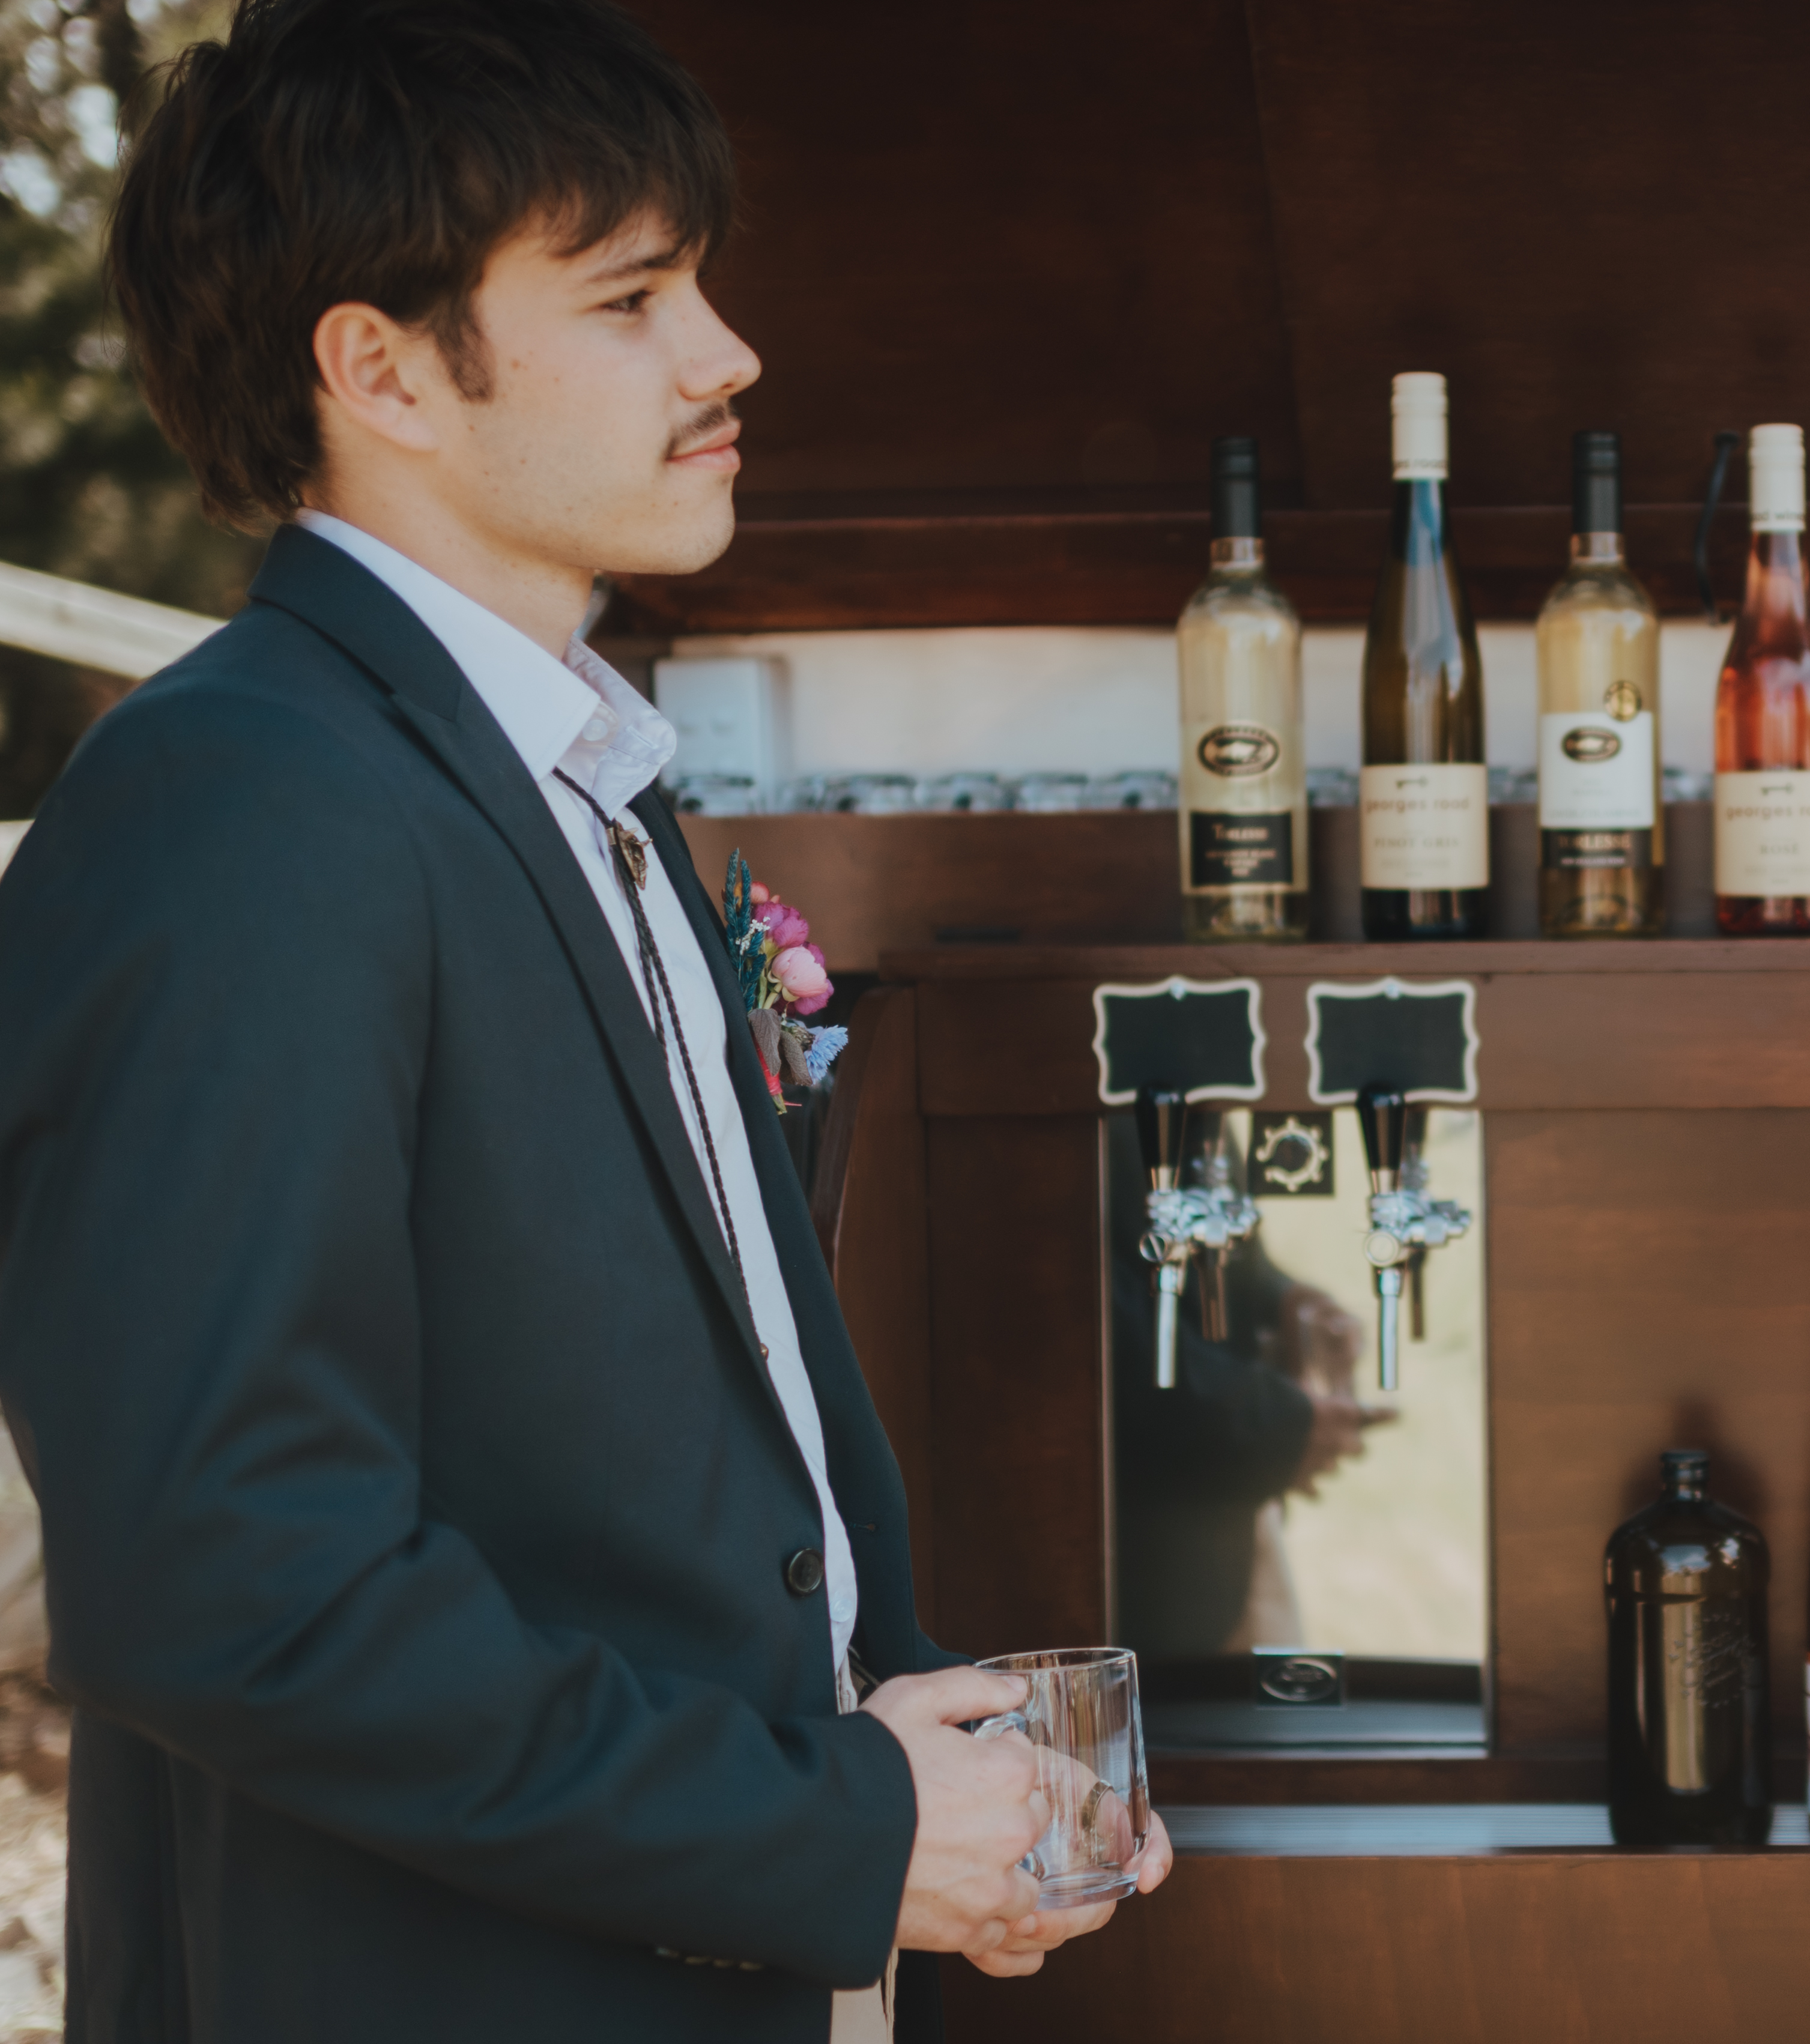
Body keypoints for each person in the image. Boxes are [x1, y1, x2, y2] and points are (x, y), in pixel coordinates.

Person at [0, 2, 1165, 2038]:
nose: (727, 353)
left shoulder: (579, 788)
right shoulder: (240, 801)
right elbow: (230, 1585)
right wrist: (828, 1829)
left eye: (697, 280)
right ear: (379, 370)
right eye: (631, 296)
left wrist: (912, 1778)